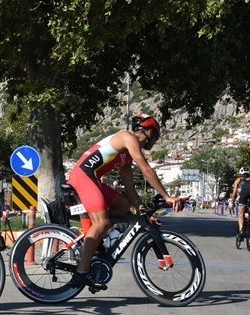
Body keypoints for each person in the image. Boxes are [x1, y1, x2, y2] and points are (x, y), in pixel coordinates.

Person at [67, 114, 182, 290]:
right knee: (102, 221)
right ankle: (81, 273)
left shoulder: (126, 156)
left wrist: (142, 213)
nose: (155, 141)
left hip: (93, 178)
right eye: (157, 136)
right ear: (150, 132)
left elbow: (130, 189)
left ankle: (96, 241)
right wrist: (167, 196)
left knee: (122, 205)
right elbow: (146, 168)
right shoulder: (127, 138)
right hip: (83, 176)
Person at [231, 167, 250, 239]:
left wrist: (232, 203)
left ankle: (241, 230)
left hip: (243, 196)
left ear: (240, 174)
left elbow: (234, 194)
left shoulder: (238, 180)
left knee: (241, 213)